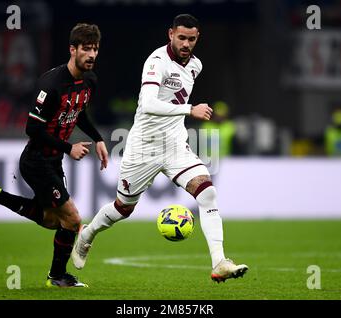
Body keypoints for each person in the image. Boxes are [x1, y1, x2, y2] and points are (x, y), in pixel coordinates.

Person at [72, 14, 248, 283]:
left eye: (191, 39)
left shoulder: (195, 65)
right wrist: (190, 109)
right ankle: (87, 235)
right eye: (181, 38)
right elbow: (150, 104)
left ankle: (220, 262)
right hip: (143, 147)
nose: (186, 44)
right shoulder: (156, 62)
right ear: (170, 34)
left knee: (207, 192)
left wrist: (183, 114)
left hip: (175, 145)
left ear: (197, 38)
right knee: (122, 208)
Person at [0, 23, 109, 288]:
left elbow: (79, 112)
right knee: (73, 220)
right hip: (36, 160)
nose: (92, 55)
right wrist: (69, 147)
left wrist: (97, 138)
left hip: (53, 160)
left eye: (95, 49)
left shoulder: (90, 80)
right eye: (86, 49)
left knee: (53, 220)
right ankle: (58, 277)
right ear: (72, 49)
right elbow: (33, 129)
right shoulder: (50, 84)